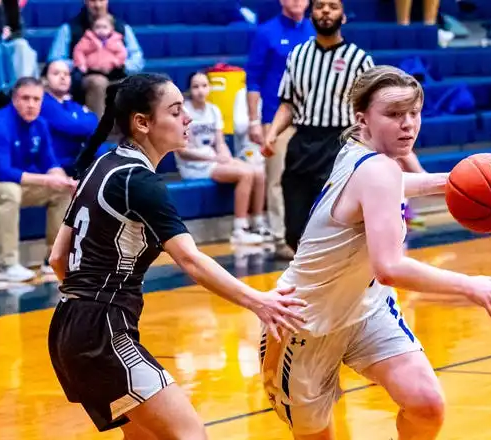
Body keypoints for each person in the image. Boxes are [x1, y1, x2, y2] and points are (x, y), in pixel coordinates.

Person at [260, 65, 491, 440]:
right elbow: (390, 268)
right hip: (304, 322)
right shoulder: (377, 168)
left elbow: (390, 183)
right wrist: (469, 285)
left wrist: (450, 182)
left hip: (365, 311)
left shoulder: (356, 151)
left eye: (414, 113)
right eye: (394, 115)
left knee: (426, 404)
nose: (408, 124)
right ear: (363, 118)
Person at [47, 73, 308, 439]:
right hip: (102, 332)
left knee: (145, 437)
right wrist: (259, 302)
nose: (188, 119)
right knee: (190, 435)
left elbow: (58, 257)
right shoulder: (139, 182)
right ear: (142, 123)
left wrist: (85, 310)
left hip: (67, 329)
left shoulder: (100, 166)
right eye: (175, 111)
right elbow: (190, 260)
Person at [263, 0, 375, 253]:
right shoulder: (298, 55)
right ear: (311, 14)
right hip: (302, 142)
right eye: (320, 6)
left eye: (333, 6)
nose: (325, 11)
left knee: (328, 224)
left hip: (340, 144)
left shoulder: (360, 60)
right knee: (294, 230)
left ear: (343, 16)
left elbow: (370, 110)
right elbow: (288, 103)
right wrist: (272, 134)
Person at [0, 76, 76, 282]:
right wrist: (46, 180)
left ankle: (54, 258)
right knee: (9, 191)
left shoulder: (40, 124)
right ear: (15, 99)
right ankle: (6, 265)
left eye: (36, 99)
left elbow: (50, 163)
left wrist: (64, 180)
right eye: (26, 98)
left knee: (62, 191)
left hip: (11, 181)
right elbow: (2, 172)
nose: (31, 104)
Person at [245, 0, 315, 259]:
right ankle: (280, 238)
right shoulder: (266, 32)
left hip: (312, 118)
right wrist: (254, 120)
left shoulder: (314, 30)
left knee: (310, 178)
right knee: (277, 179)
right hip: (275, 118)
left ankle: (308, 236)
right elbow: (253, 79)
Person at [176, 71, 272, 245]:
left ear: (209, 88)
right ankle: (239, 229)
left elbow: (220, 142)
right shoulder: (185, 113)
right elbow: (182, 151)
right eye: (196, 86)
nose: (200, 90)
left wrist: (225, 155)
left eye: (204, 86)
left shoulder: (213, 110)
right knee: (245, 174)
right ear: (189, 90)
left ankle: (258, 223)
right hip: (193, 165)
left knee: (258, 171)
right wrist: (209, 157)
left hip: (212, 160)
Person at [40, 60, 98, 177]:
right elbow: (73, 126)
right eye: (56, 74)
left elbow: (95, 121)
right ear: (44, 80)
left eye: (66, 74)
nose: (63, 77)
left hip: (76, 158)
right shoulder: (44, 103)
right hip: (58, 163)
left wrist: (89, 121)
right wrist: (87, 120)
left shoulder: (70, 103)